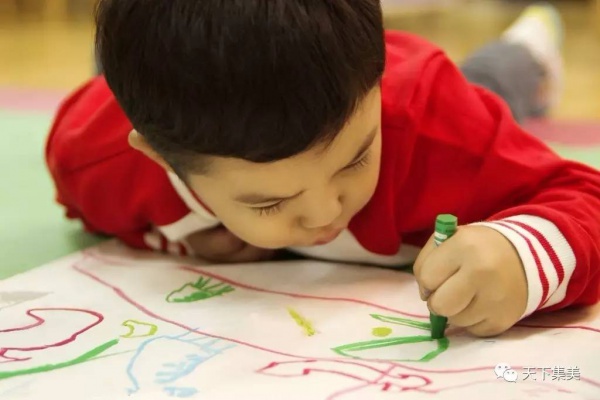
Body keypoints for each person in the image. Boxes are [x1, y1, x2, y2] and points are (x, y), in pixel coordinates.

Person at [45, 1, 600, 337]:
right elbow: (83, 202)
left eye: (356, 158)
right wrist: (182, 245)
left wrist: (522, 260)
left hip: (438, 105)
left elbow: (586, 198)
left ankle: (529, 48)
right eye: (268, 202)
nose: (325, 213)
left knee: (491, 83)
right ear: (163, 159)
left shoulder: (430, 120)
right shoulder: (99, 158)